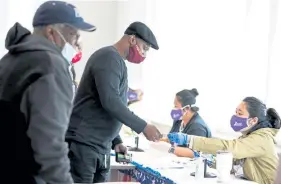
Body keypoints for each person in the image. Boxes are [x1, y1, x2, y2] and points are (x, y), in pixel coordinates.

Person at [0, 1, 95, 183]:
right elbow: (50, 150)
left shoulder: (9, 60)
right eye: (73, 35)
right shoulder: (51, 65)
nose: (77, 43)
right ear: (52, 33)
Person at [66, 21, 161, 183]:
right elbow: (110, 102)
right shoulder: (108, 57)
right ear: (132, 40)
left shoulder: (117, 62)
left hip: (100, 147)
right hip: (84, 146)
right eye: (144, 48)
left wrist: (116, 141)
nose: (144, 54)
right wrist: (143, 126)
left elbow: (105, 107)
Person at [167, 97, 280, 184]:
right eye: (235, 112)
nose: (235, 116)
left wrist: (189, 139)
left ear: (253, 120)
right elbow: (233, 161)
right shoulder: (249, 137)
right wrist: (211, 160)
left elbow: (230, 148)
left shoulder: (262, 139)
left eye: (239, 113)